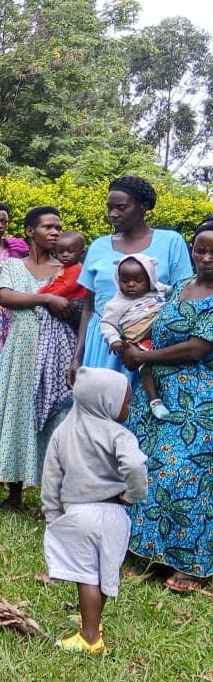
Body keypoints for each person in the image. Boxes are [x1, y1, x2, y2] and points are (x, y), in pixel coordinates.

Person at [121, 219, 213, 593]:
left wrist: (148, 356)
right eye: (200, 249)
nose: (206, 257)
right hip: (155, 393)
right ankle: (147, 552)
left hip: (199, 398)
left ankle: (192, 563)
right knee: (147, 468)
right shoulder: (178, 287)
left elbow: (198, 347)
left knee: (188, 472)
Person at [0, 207, 78, 511]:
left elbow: (79, 307)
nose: (56, 232)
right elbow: (4, 296)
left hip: (58, 354)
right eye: (48, 227)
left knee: (58, 421)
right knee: (16, 416)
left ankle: (56, 497)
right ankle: (14, 493)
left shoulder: (67, 269)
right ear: (30, 231)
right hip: (20, 352)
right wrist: (47, 298)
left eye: (59, 227)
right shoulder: (12, 266)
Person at [41, 366, 147, 655]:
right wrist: (134, 493)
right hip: (114, 514)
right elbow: (136, 466)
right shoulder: (119, 434)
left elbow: (51, 476)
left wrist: (51, 513)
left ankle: (90, 637)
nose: (129, 406)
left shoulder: (64, 432)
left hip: (80, 514)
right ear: (106, 402)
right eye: (126, 401)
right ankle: (93, 623)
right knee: (103, 571)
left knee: (86, 575)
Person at [72, 177, 192, 380]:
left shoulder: (171, 242)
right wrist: (77, 358)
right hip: (104, 343)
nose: (113, 214)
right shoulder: (99, 246)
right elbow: (90, 307)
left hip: (149, 344)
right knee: (101, 406)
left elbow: (182, 298)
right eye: (109, 207)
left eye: (121, 207)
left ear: (143, 206)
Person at [30, 230, 89, 456]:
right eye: (60, 251)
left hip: (70, 317)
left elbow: (63, 290)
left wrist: (44, 295)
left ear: (81, 252)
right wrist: (46, 295)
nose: (64, 255)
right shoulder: (65, 268)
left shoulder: (76, 270)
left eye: (70, 251)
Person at [99, 254, 169, 418]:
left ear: (150, 279)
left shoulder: (158, 289)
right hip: (139, 340)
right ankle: (155, 402)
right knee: (145, 368)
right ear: (117, 280)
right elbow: (107, 323)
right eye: (125, 281)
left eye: (138, 281)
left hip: (164, 335)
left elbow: (176, 291)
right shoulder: (117, 302)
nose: (131, 285)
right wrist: (114, 339)